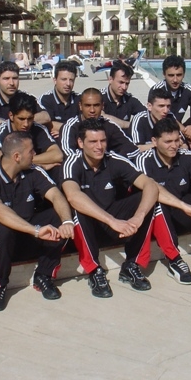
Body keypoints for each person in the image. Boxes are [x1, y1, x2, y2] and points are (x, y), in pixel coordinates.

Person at [62, 119, 161, 298]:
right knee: (77, 208)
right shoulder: (72, 163)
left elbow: (150, 185)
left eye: (103, 141)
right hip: (89, 226)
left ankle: (132, 265)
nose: (99, 146)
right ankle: (94, 270)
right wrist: (112, 221)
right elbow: (72, 196)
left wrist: (138, 217)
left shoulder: (114, 159)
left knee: (147, 199)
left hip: (113, 221)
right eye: (93, 141)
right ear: (80, 143)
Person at [0, 132, 75, 311]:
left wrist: (67, 221)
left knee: (59, 216)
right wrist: (35, 230)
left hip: (29, 236)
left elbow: (55, 195)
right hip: (3, 243)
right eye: (31, 151)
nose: (35, 155)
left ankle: (44, 275)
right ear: (17, 156)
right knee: (2, 226)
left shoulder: (33, 171)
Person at [136, 118, 191, 280]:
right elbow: (153, 190)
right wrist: (184, 206)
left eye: (177, 140)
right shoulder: (144, 160)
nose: (174, 145)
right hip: (160, 217)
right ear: (154, 141)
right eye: (168, 142)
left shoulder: (186, 155)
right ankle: (174, 259)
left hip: (183, 214)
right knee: (156, 203)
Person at [0, 92, 63, 174]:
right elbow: (5, 163)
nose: (26, 124)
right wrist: (40, 165)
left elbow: (58, 155)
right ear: (11, 116)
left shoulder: (38, 128)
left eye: (30, 119)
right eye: (21, 119)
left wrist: (27, 162)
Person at [60, 88, 139, 161]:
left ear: (102, 106)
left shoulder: (109, 125)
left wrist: (112, 159)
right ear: (80, 106)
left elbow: (133, 150)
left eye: (96, 105)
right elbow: (68, 154)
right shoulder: (70, 127)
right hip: (80, 169)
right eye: (87, 105)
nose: (92, 110)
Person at [150, 55, 191, 143]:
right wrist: (189, 136)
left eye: (179, 75)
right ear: (164, 74)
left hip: (180, 129)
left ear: (184, 74)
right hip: (160, 130)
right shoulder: (157, 90)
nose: (175, 80)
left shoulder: (187, 89)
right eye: (171, 75)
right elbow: (165, 117)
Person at [0, 61, 51, 129]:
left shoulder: (27, 96)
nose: (11, 83)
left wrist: (21, 121)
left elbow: (45, 117)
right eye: (6, 79)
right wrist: (16, 125)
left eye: (15, 78)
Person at [38, 61, 81, 137]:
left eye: (71, 80)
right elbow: (48, 124)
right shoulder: (46, 99)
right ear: (55, 80)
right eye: (64, 79)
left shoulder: (79, 99)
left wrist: (63, 132)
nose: (68, 84)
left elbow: (86, 124)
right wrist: (73, 130)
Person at [100, 62, 145, 130]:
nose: (124, 87)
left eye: (127, 83)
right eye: (121, 82)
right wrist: (130, 124)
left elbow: (147, 117)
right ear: (110, 79)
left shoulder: (129, 99)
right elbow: (100, 117)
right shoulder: (99, 97)